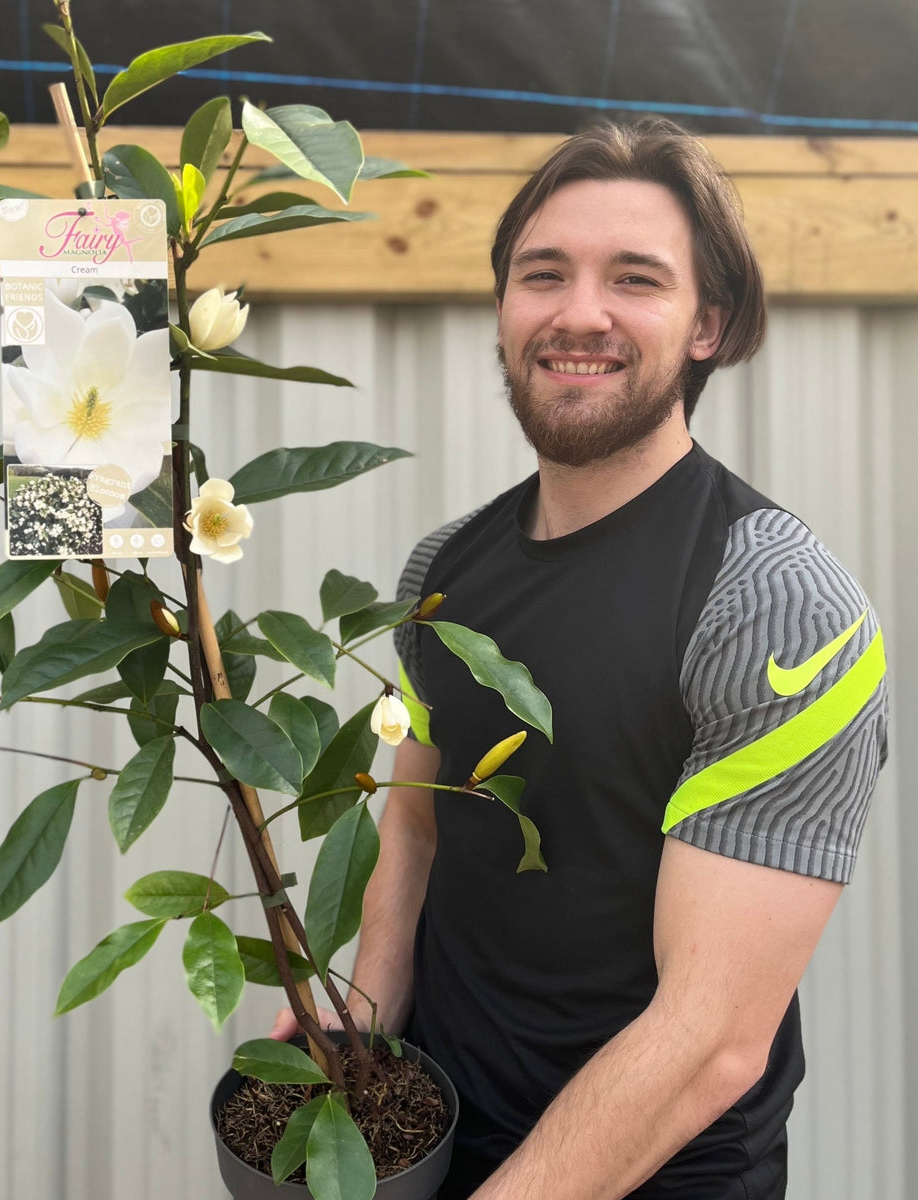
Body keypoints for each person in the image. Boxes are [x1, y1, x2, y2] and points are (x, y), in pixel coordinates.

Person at [271, 118, 889, 1199]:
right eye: (541, 274)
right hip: (438, 1146)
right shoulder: (442, 572)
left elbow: (711, 1040)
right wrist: (361, 1041)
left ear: (711, 324)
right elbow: (415, 824)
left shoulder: (779, 609)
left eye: (635, 279)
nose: (578, 313)